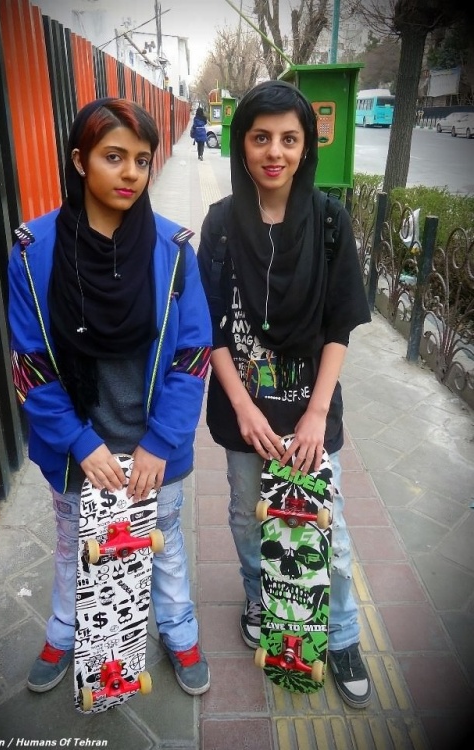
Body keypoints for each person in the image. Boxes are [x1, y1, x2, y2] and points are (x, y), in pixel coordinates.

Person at [8, 98, 212, 697]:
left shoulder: (173, 250)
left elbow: (192, 355)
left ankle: (178, 630)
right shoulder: (33, 250)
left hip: (154, 445)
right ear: (80, 161)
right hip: (78, 447)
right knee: (75, 544)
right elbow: (29, 363)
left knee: (163, 543)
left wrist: (161, 442)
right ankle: (64, 630)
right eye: (113, 157)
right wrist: (79, 442)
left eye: (142, 161)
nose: (131, 173)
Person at [197, 80, 372, 709]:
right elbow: (210, 326)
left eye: (289, 139)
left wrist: (317, 414)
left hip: (311, 411)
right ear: (241, 144)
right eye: (261, 137)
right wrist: (244, 407)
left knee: (330, 530)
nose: (275, 152)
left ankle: (342, 635)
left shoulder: (329, 221)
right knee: (249, 516)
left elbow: (340, 324)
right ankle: (259, 598)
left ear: (306, 147)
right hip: (244, 412)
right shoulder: (220, 223)